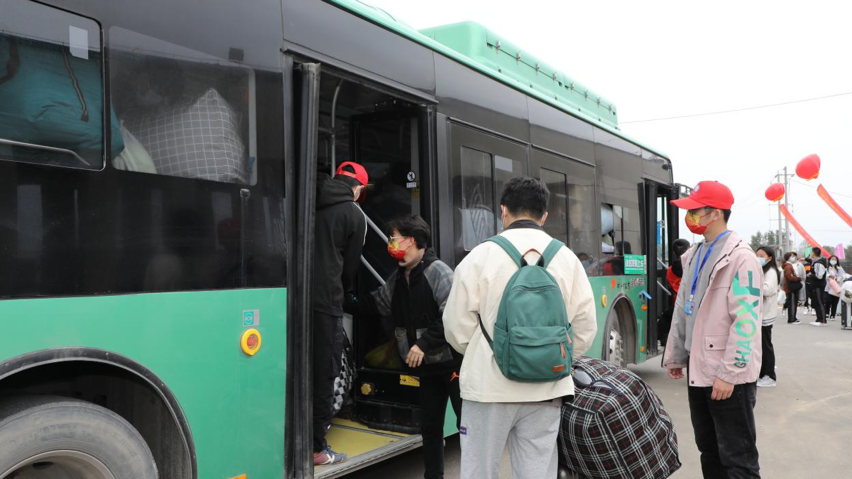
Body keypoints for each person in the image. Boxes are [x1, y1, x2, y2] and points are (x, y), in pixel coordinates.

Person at [443, 177, 597, 479]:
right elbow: (584, 329)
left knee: (478, 472)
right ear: (544, 215)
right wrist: (546, 357)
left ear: (503, 211)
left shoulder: (479, 257)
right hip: (548, 387)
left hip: (488, 388)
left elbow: (456, 329)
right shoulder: (567, 259)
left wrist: (486, 354)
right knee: (537, 472)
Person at [345, 215, 462, 479]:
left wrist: (422, 344)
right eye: (391, 241)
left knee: (466, 425)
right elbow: (376, 304)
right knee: (430, 428)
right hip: (427, 369)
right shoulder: (398, 278)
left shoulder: (439, 272)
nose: (392, 247)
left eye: (396, 240)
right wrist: (338, 300)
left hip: (452, 365)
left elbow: (453, 316)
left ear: (415, 242)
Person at [662, 180, 762, 479]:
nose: (690, 217)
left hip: (726, 373)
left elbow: (746, 322)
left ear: (716, 213)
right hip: (699, 367)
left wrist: (729, 374)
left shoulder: (741, 257)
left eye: (695, 210)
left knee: (737, 457)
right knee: (709, 449)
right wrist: (678, 354)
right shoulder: (694, 253)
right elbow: (685, 308)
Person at [312, 161, 368, 465]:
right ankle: (316, 447)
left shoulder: (308, 197)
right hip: (326, 300)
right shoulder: (353, 213)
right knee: (325, 371)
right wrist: (344, 294)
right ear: (357, 189)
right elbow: (350, 268)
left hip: (293, 296)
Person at [659, 239, 692, 347]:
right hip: (693, 305)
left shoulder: (669, 271)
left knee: (665, 317)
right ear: (689, 250)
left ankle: (665, 340)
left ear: (673, 253)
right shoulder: (693, 268)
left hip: (678, 306)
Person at [756, 246, 779, 388]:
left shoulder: (771, 272)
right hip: (760, 313)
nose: (758, 257)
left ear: (769, 258)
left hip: (766, 314)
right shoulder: (762, 270)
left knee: (765, 346)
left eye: (761, 255)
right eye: (756, 254)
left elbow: (767, 290)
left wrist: (752, 283)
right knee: (760, 346)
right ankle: (762, 373)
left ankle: (770, 376)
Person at [807, 248, 828, 327]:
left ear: (814, 253)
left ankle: (822, 320)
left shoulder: (818, 263)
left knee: (819, 302)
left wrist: (811, 275)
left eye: (811, 252)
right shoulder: (816, 262)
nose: (810, 253)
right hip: (816, 285)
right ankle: (819, 319)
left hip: (819, 285)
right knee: (816, 302)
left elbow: (819, 276)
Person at [782, 252, 803, 325]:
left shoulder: (788, 265)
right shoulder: (788, 266)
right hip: (790, 287)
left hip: (790, 287)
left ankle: (793, 317)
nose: (793, 257)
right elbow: (790, 277)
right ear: (788, 258)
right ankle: (791, 319)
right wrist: (798, 278)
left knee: (793, 302)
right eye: (791, 256)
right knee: (792, 303)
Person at [824, 254, 846, 320]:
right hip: (828, 287)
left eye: (835, 259)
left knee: (835, 301)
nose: (833, 261)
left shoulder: (839, 268)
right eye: (832, 259)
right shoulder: (826, 268)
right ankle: (826, 313)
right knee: (827, 300)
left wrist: (836, 278)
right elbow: (824, 275)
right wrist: (829, 276)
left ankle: (833, 314)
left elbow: (842, 276)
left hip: (836, 287)